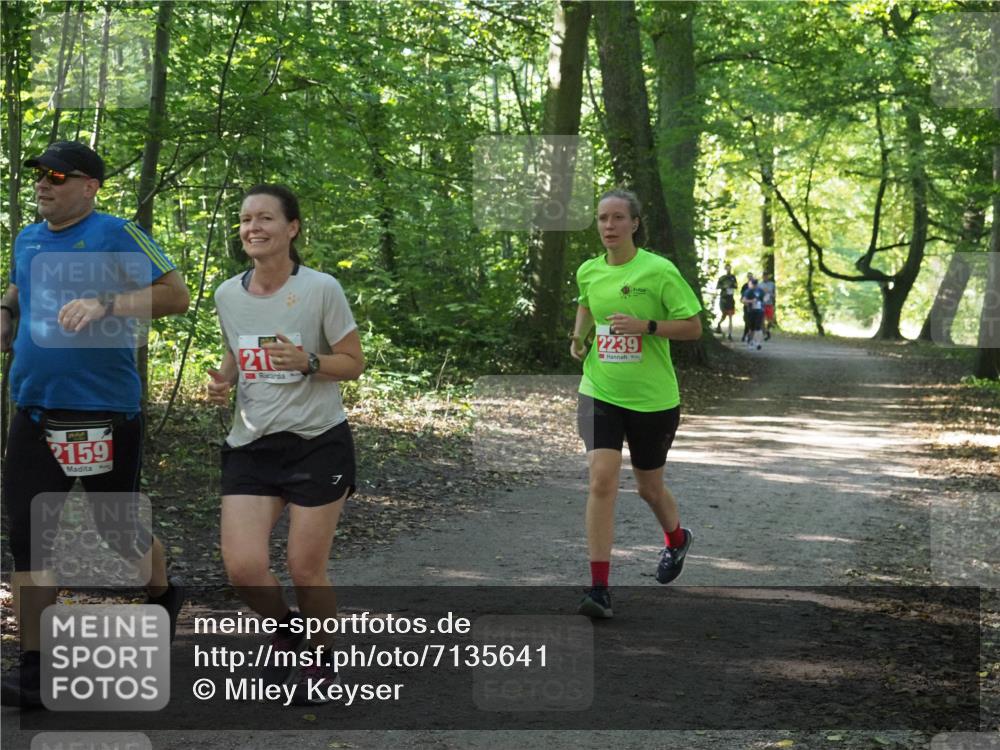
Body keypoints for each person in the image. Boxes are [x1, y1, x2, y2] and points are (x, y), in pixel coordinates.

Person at [0, 141, 190, 708]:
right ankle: (36, 670)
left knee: (117, 533)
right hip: (33, 407)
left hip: (102, 412)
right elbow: (18, 287)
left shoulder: (116, 233)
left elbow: (175, 295)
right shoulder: (28, 238)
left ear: (89, 186)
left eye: (56, 175)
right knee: (30, 537)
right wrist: (6, 314)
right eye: (38, 174)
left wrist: (106, 304)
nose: (43, 183)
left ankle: (162, 595)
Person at [206, 184, 364, 705]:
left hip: (317, 444)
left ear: (292, 228)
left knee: (303, 568)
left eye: (266, 218)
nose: (254, 227)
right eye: (246, 219)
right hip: (251, 443)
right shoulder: (227, 293)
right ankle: (289, 633)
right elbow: (236, 347)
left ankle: (321, 660)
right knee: (244, 569)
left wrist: (311, 363)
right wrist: (224, 379)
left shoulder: (321, 289)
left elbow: (353, 362)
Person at [569, 189, 702, 619]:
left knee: (649, 487)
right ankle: (599, 588)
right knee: (601, 479)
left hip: (653, 400)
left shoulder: (659, 270)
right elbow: (587, 303)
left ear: (635, 223)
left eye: (617, 218)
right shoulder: (588, 270)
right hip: (599, 389)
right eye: (602, 218)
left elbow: (693, 327)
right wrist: (579, 335)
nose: (608, 226)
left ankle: (676, 539)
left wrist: (646, 325)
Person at [714, 262, 738, 340]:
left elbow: (736, 286)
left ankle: (730, 334)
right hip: (723, 299)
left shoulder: (733, 277)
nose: (728, 269)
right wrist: (724, 286)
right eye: (727, 268)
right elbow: (717, 286)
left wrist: (732, 286)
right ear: (725, 268)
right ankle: (719, 324)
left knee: (731, 317)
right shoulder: (722, 278)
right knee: (724, 316)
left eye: (729, 267)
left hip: (730, 299)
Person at [742, 277, 765, 351]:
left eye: (755, 284)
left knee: (758, 328)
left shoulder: (760, 291)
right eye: (753, 284)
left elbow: (764, 299)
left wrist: (762, 304)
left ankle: (758, 343)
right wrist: (751, 301)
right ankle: (750, 341)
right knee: (751, 328)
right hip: (751, 311)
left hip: (759, 311)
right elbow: (744, 300)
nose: (754, 285)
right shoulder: (748, 291)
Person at [759, 271, 776, 340]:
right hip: (762, 304)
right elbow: (758, 294)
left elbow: (774, 295)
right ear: (762, 276)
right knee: (762, 320)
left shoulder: (772, 284)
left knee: (770, 320)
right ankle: (765, 333)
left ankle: (767, 330)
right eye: (764, 276)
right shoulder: (759, 285)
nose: (765, 277)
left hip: (769, 304)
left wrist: (770, 293)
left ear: (768, 276)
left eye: (766, 276)